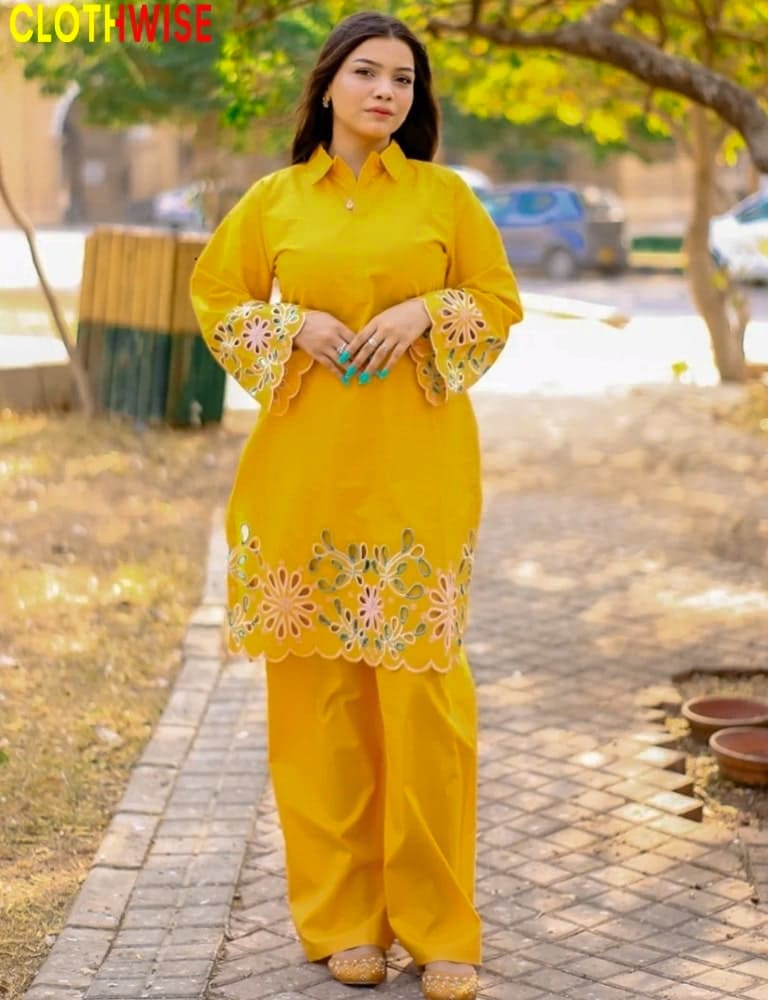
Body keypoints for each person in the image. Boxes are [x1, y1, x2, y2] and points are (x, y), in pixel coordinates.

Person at [190, 11, 522, 1000]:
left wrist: (430, 308)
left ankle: (439, 925)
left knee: (426, 709)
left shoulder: (445, 197)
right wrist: (294, 325)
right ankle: (341, 919)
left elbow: (498, 302)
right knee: (318, 713)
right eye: (369, 74)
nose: (387, 92)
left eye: (405, 81)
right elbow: (217, 299)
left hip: (416, 478)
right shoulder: (274, 201)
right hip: (303, 481)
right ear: (329, 86)